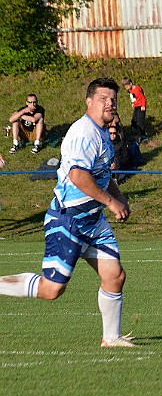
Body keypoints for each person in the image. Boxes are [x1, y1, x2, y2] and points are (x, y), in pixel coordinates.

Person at [0, 78, 134, 347]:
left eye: (113, 99)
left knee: (115, 276)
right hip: (68, 220)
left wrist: (119, 198)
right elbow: (78, 176)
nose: (110, 103)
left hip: (92, 221)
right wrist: (110, 202)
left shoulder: (102, 133)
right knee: (52, 290)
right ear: (89, 102)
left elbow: (102, 175)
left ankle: (111, 338)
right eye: (103, 98)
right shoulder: (83, 132)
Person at [121, 77, 149, 143]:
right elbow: (133, 97)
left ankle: (143, 136)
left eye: (126, 86)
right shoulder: (130, 90)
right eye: (125, 87)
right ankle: (134, 135)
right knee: (134, 121)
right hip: (136, 106)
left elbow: (143, 97)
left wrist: (143, 105)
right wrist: (133, 103)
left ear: (130, 84)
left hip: (141, 107)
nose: (126, 88)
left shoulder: (137, 89)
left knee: (140, 122)